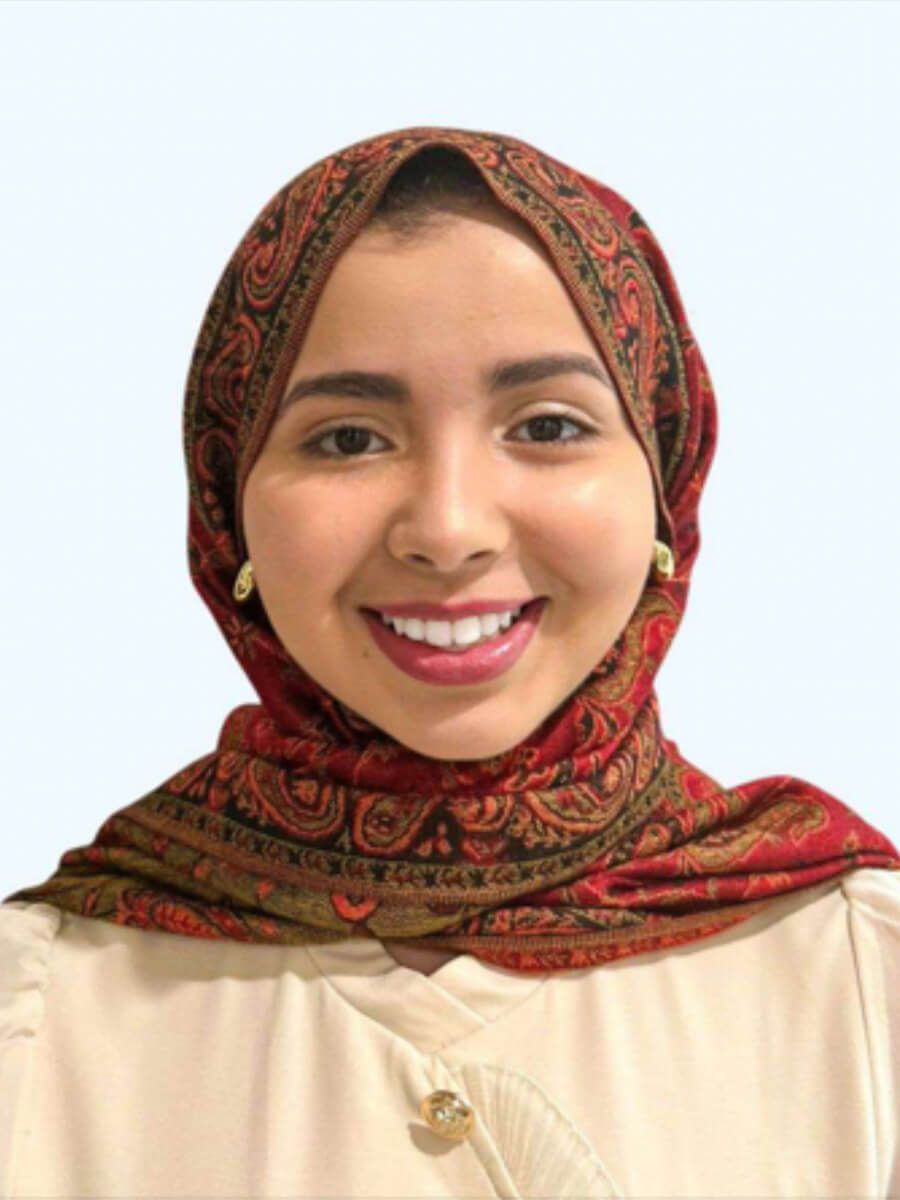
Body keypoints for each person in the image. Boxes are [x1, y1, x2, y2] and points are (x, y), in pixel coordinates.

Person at [1, 125, 898, 1199]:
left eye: (550, 425)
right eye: (346, 438)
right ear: (228, 506)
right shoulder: (40, 1013)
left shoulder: (862, 985)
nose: (450, 527)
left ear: (666, 481)